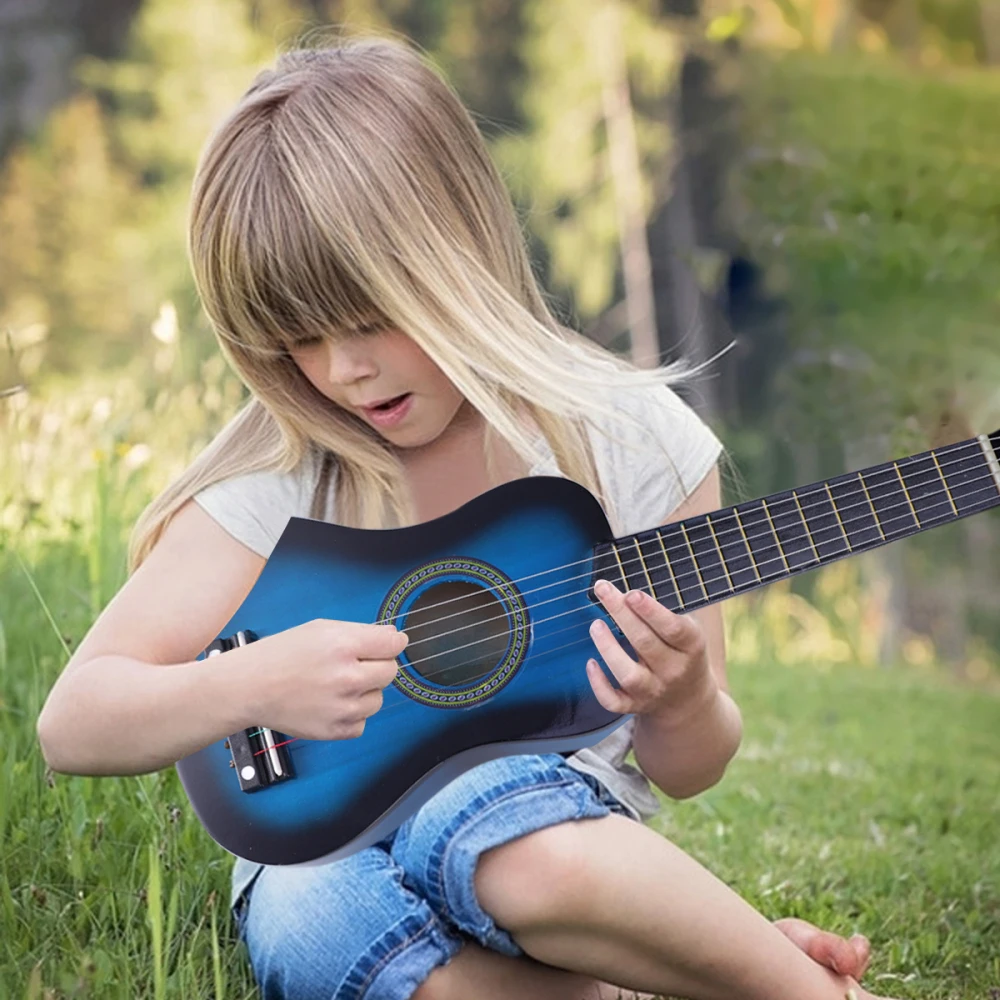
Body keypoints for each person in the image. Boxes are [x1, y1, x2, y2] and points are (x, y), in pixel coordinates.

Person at [37, 32, 896, 1000]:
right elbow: (76, 722)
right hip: (325, 843)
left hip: (549, 846)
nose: (341, 372)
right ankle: (672, 976)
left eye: (366, 319)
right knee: (302, 921)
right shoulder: (284, 472)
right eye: (296, 340)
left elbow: (691, 769)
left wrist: (681, 701)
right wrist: (252, 685)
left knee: (482, 807)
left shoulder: (632, 439)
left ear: (457, 256)